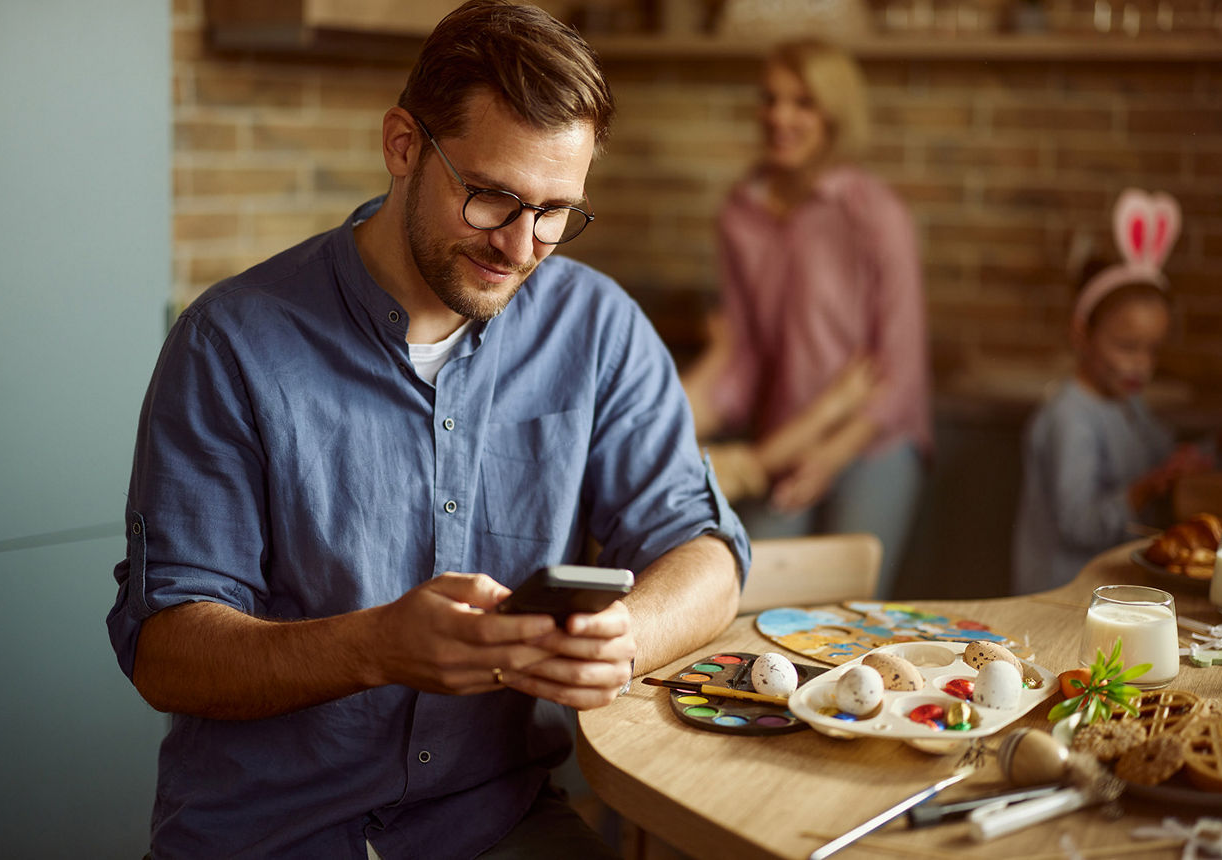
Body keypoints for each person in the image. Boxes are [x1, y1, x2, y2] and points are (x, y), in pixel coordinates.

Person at [105, 2, 749, 857]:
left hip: (497, 823)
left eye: (557, 212)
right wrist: (373, 647)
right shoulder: (230, 342)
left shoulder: (597, 328)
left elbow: (705, 553)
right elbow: (167, 651)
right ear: (403, 144)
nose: (522, 247)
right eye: (491, 198)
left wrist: (628, 638)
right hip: (270, 833)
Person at [681, 39, 931, 598]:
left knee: (849, 614)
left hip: (874, 440)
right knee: (753, 600)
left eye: (803, 103)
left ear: (834, 115)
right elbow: (743, 356)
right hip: (784, 437)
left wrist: (832, 452)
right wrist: (688, 411)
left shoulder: (876, 215)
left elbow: (902, 367)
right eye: (770, 100)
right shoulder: (739, 214)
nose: (780, 117)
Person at [1011, 188, 1222, 595]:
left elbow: (1168, 463)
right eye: (1126, 347)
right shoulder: (1069, 418)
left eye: (1152, 349)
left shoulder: (1129, 403)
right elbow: (1078, 524)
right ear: (1081, 334)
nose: (1141, 363)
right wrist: (1147, 486)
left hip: (1110, 588)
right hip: (1062, 593)